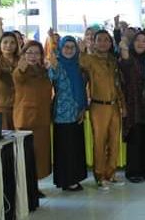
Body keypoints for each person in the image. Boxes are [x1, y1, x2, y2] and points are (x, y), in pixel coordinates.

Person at [79, 30, 125, 190]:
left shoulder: (113, 61)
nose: (103, 43)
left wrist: (123, 105)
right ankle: (99, 176)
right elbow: (79, 64)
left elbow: (118, 84)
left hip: (114, 106)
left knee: (114, 141)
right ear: (94, 42)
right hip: (98, 106)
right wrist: (82, 49)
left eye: (107, 40)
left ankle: (111, 173)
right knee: (99, 142)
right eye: (100, 40)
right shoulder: (89, 60)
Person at [47, 36, 88, 191]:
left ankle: (75, 178)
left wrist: (83, 107)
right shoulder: (57, 64)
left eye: (72, 47)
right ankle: (66, 180)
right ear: (61, 48)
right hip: (63, 113)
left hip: (77, 110)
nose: (69, 50)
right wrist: (54, 66)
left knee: (76, 146)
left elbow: (82, 88)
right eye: (66, 47)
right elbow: (51, 77)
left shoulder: (78, 65)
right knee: (65, 148)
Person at [13, 41, 53, 193]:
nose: (33, 56)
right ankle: (26, 189)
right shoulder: (20, 71)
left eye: (36, 53)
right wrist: (21, 67)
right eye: (29, 52)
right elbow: (18, 77)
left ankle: (34, 187)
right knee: (26, 156)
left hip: (42, 118)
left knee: (39, 156)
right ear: (23, 54)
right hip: (25, 120)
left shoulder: (43, 71)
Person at [118, 31, 145, 183]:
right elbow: (124, 60)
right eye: (137, 40)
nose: (140, 43)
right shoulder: (129, 58)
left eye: (144, 41)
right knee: (135, 138)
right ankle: (133, 171)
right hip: (132, 104)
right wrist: (123, 44)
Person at [0, 32, 21, 130]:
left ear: (16, 45)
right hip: (2, 105)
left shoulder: (21, 60)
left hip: (20, 104)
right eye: (5, 42)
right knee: (5, 138)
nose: (8, 46)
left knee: (20, 137)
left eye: (12, 43)